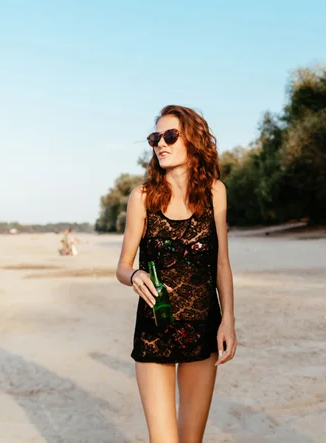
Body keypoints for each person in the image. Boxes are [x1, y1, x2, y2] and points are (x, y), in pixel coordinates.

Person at [116, 105, 237, 443]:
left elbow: (222, 264)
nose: (161, 144)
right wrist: (134, 274)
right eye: (155, 137)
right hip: (154, 330)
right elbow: (122, 266)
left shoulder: (216, 193)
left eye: (170, 136)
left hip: (202, 328)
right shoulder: (142, 198)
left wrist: (228, 320)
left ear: (193, 141)